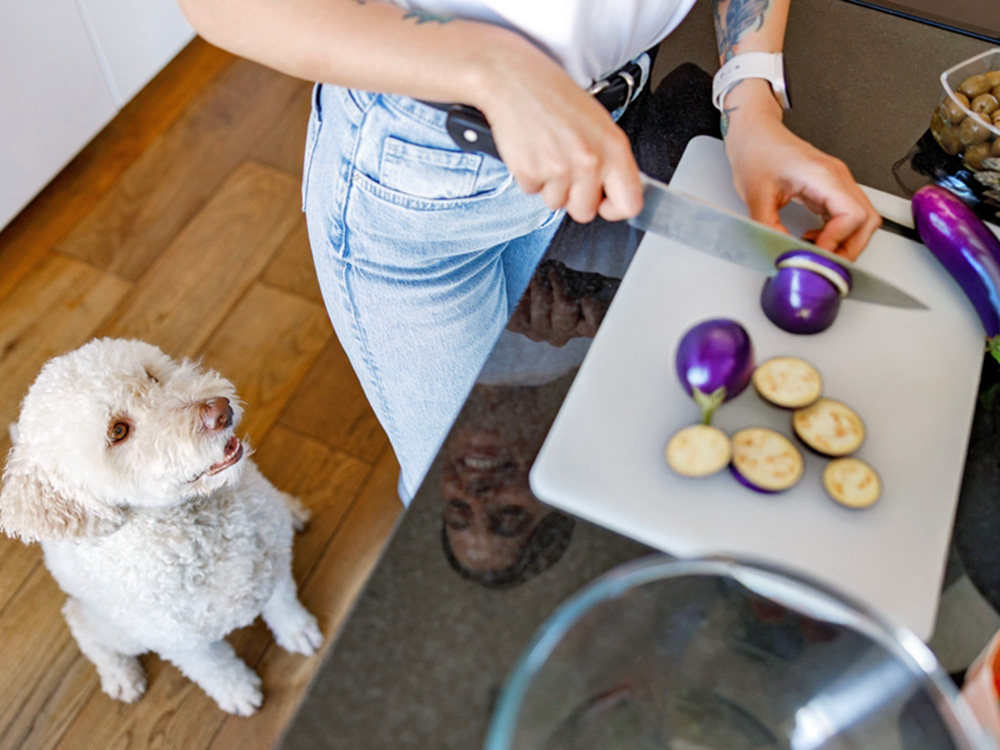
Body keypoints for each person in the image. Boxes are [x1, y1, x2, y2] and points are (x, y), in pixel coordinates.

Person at [177, 0, 882, 504]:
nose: (481, 493)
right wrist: (492, 66)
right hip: (419, 166)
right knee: (434, 482)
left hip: (599, 126)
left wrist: (751, 101)